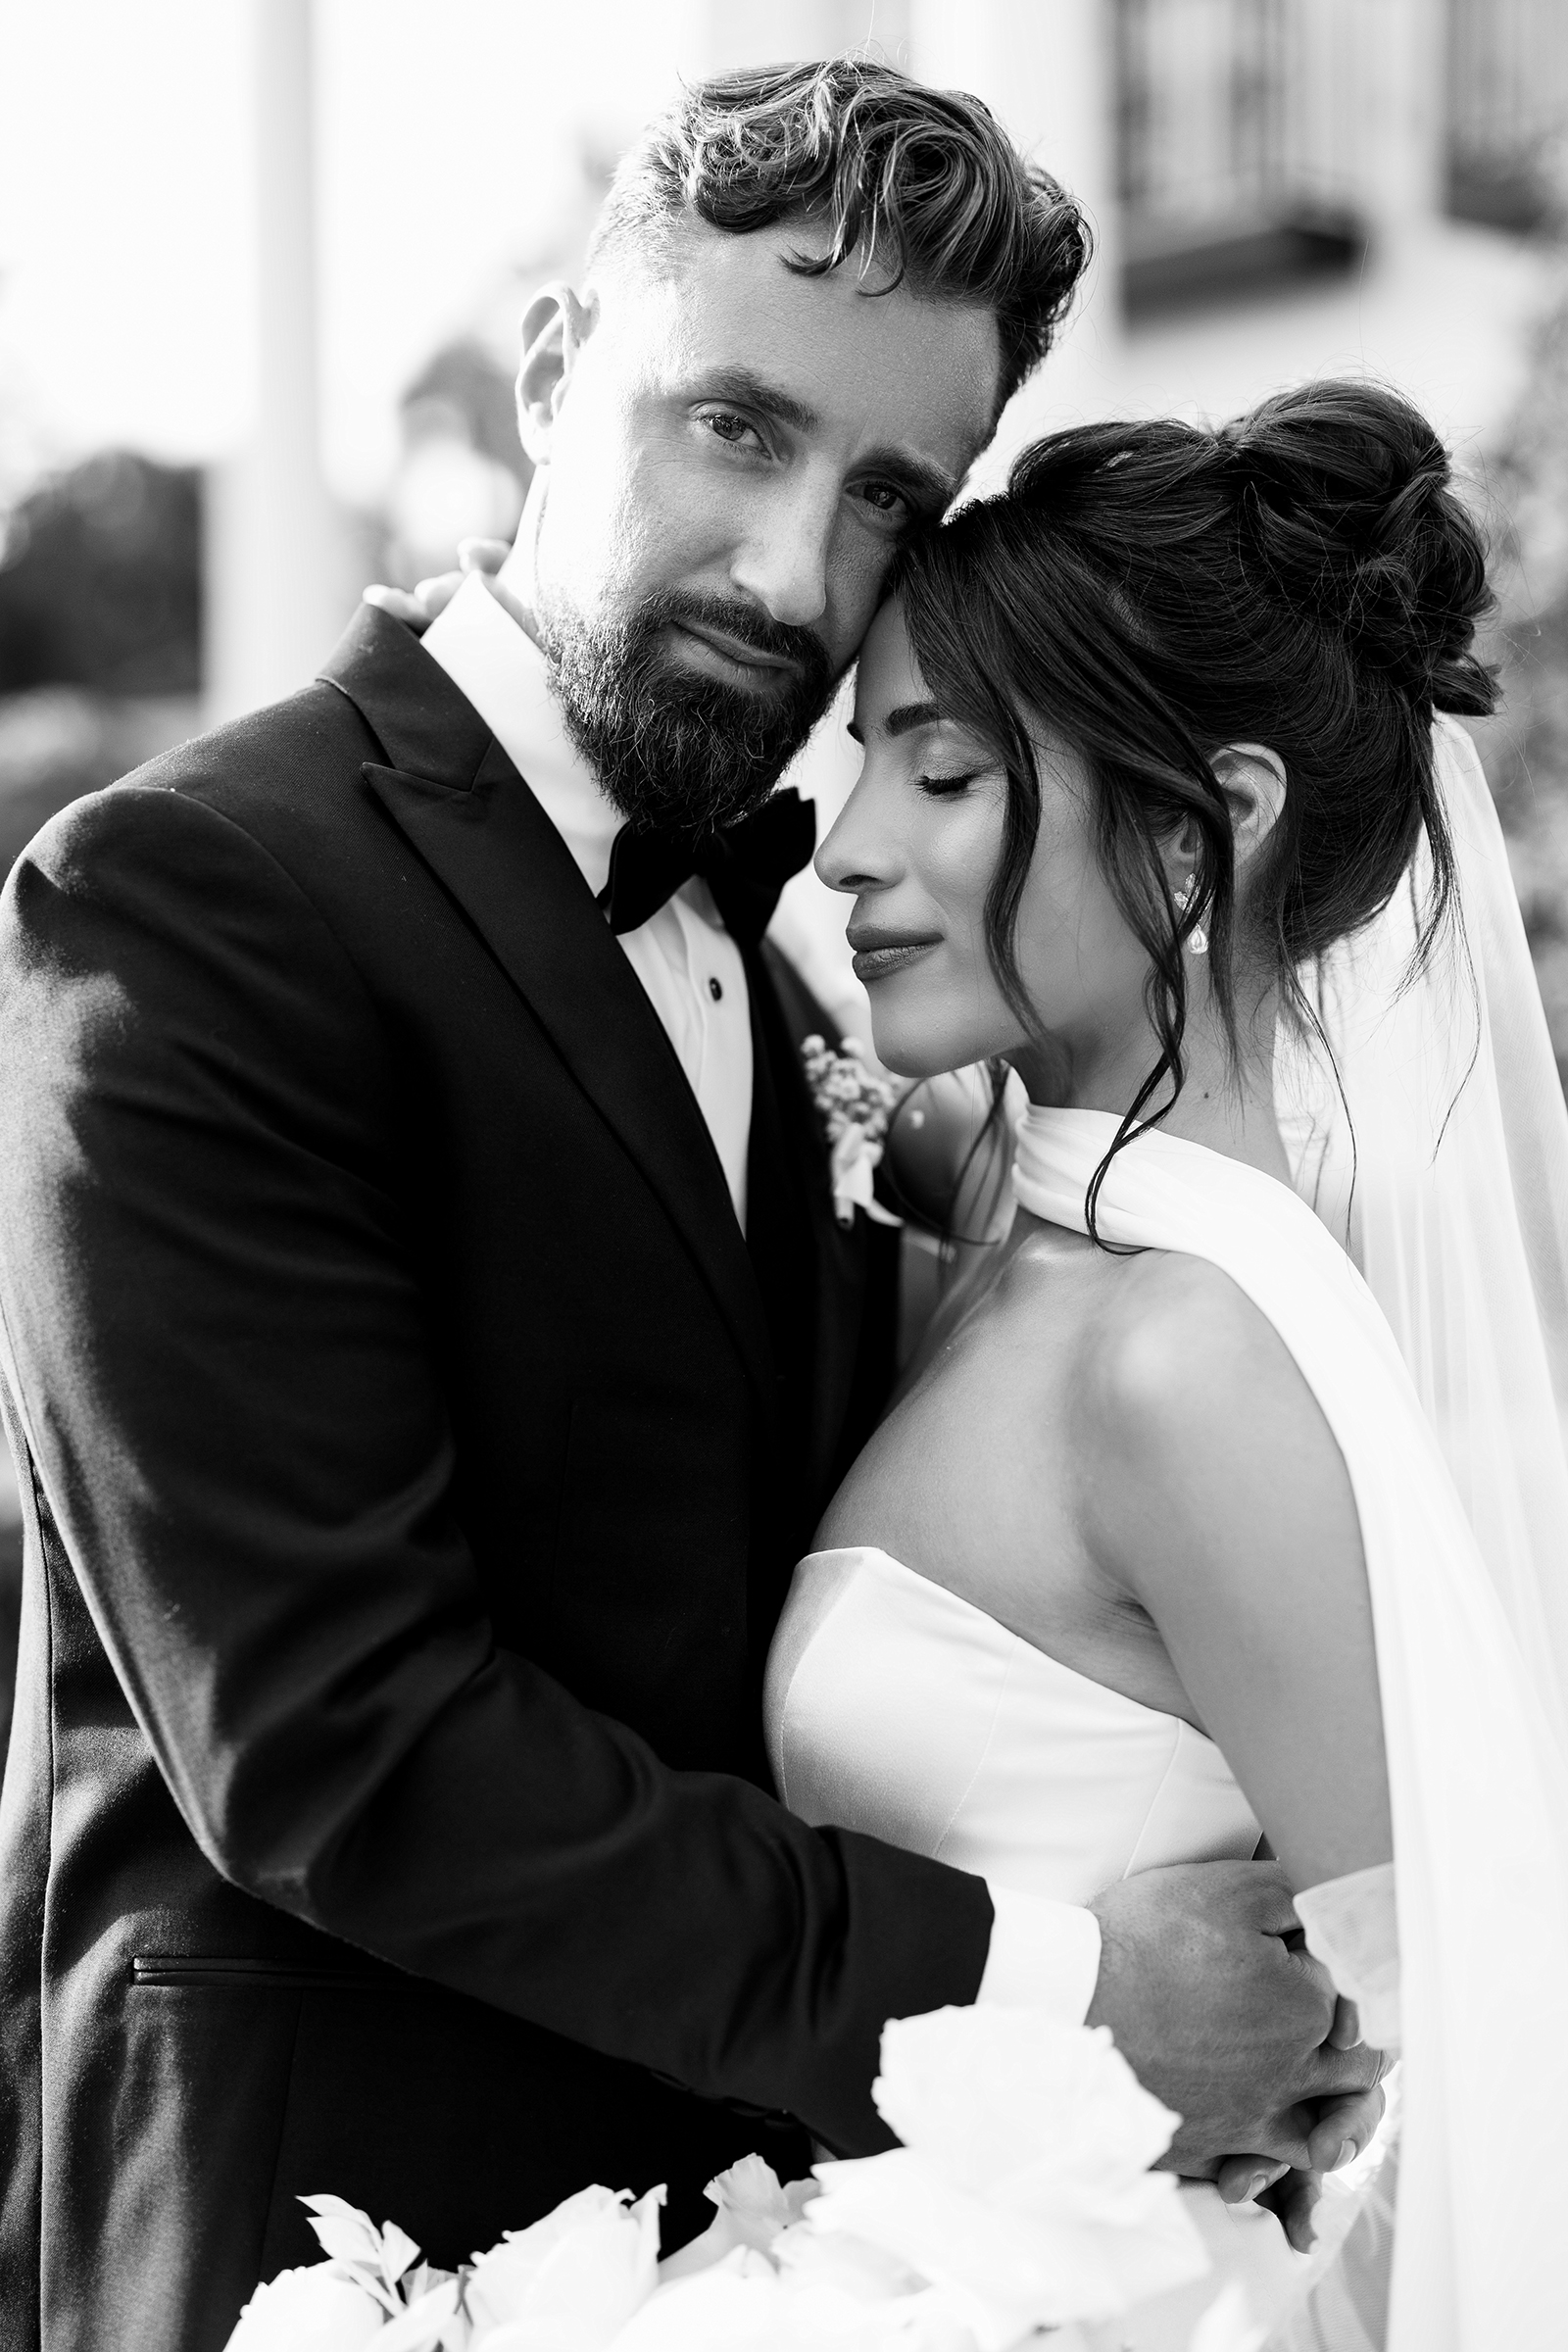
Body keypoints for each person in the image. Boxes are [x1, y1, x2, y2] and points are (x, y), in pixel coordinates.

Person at [0, 62, 1379, 2352]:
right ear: (552, 375)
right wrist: (1052, 1990)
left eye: (881, 500)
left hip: (781, 2241)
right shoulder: (193, 903)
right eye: (729, 428)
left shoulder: (779, 960)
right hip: (335, 2237)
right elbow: (343, 1743)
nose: (789, 575)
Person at [770, 382, 1568, 2348]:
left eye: (941, 776)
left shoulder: (1183, 1361)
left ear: (1200, 829)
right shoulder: (1038, 1246)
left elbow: (1450, 2061)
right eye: (862, 759)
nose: (847, 849)